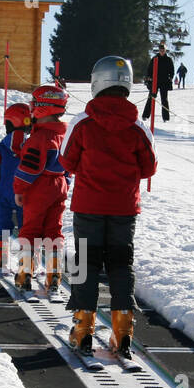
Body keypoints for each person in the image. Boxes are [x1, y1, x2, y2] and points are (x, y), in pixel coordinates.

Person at [62, 56, 157, 360]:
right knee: (120, 264)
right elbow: (149, 167)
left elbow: (66, 159)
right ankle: (123, 331)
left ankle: (82, 329)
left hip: (88, 206)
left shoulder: (83, 122)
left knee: (86, 264)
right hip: (123, 209)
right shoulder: (137, 126)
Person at [12, 84, 71, 295]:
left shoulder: (39, 138)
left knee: (30, 230)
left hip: (38, 187)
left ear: (43, 107)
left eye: (35, 103)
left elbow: (29, 168)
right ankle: (53, 276)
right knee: (54, 231)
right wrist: (66, 182)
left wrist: (19, 189)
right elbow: (69, 164)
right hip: (60, 185)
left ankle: (24, 274)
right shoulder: (65, 135)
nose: (32, 107)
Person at [0, 102, 32, 270]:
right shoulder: (32, 146)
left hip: (3, 194)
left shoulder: (1, 148)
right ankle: (28, 261)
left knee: (3, 224)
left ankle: (1, 258)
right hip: (25, 195)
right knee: (26, 228)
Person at [142, 43, 174, 122]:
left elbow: (172, 70)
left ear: (165, 50)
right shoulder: (155, 58)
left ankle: (166, 117)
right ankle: (146, 115)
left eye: (163, 50)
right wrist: (148, 77)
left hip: (164, 82)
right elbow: (149, 69)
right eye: (160, 50)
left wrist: (170, 77)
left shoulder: (168, 60)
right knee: (151, 98)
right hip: (155, 81)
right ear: (159, 50)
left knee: (164, 99)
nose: (162, 51)